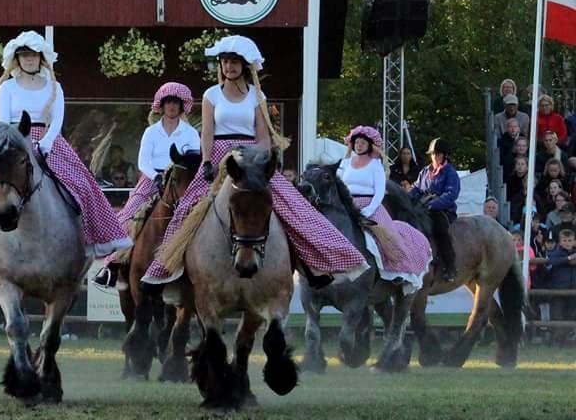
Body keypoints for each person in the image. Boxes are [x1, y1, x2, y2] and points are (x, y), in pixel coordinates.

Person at [140, 35, 367, 290]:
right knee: (187, 208)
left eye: (235, 62)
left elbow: (263, 137)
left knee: (292, 207)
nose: (229, 67)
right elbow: (207, 133)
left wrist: (255, 157)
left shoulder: (257, 95)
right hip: (218, 157)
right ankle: (169, 271)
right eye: (225, 62)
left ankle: (312, 266)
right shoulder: (211, 94)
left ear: (245, 66)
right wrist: (205, 161)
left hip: (252, 156)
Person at [0, 31, 131, 268]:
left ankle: (94, 239)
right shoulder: (7, 88)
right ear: (17, 58)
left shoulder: (54, 87)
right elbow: (4, 121)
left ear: (41, 58)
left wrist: (44, 144)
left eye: (33, 55)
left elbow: (57, 121)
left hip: (49, 141)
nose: (29, 59)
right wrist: (20, 145)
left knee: (82, 185)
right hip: (14, 143)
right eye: (24, 55)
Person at [93, 81, 200, 287]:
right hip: (152, 180)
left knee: (201, 215)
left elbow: (194, 161)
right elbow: (143, 162)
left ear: (181, 106)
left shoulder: (190, 133)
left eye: (176, 102)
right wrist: (157, 177)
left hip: (181, 182)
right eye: (168, 102)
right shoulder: (151, 132)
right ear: (161, 105)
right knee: (128, 215)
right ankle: (111, 266)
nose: (171, 106)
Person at [338, 126, 432, 290]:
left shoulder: (375, 165)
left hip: (369, 206)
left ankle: (397, 271)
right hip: (347, 204)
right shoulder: (345, 163)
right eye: (357, 142)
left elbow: (380, 191)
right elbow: (339, 185)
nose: (359, 145)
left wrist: (369, 210)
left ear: (369, 145)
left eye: (362, 143)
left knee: (388, 236)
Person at [410, 137, 461, 281]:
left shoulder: (450, 172)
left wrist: (434, 204)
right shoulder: (425, 171)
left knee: (440, 229)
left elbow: (451, 194)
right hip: (423, 207)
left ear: (444, 155)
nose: (435, 157)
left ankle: (450, 266)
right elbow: (417, 188)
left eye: (438, 154)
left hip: (443, 210)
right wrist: (406, 198)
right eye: (433, 154)